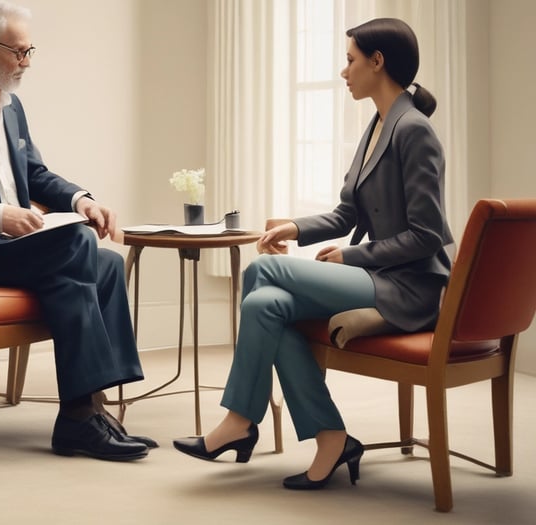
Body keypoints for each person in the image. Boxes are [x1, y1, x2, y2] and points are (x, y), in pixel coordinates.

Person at [173, 17, 454, 489]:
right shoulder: (378, 125)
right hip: (381, 277)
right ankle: (331, 436)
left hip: (408, 288)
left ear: (377, 62)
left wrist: (353, 257)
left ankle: (241, 419)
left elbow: (428, 236)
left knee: (263, 273)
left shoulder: (413, 130)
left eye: (350, 61)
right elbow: (347, 213)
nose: (344, 72)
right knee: (265, 306)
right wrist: (294, 227)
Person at [0, 0, 156, 461]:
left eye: (29, 51)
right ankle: (81, 418)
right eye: (19, 52)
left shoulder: (10, 106)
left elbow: (35, 174)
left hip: (15, 248)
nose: (27, 63)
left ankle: (89, 410)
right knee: (79, 246)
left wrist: (82, 200)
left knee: (107, 263)